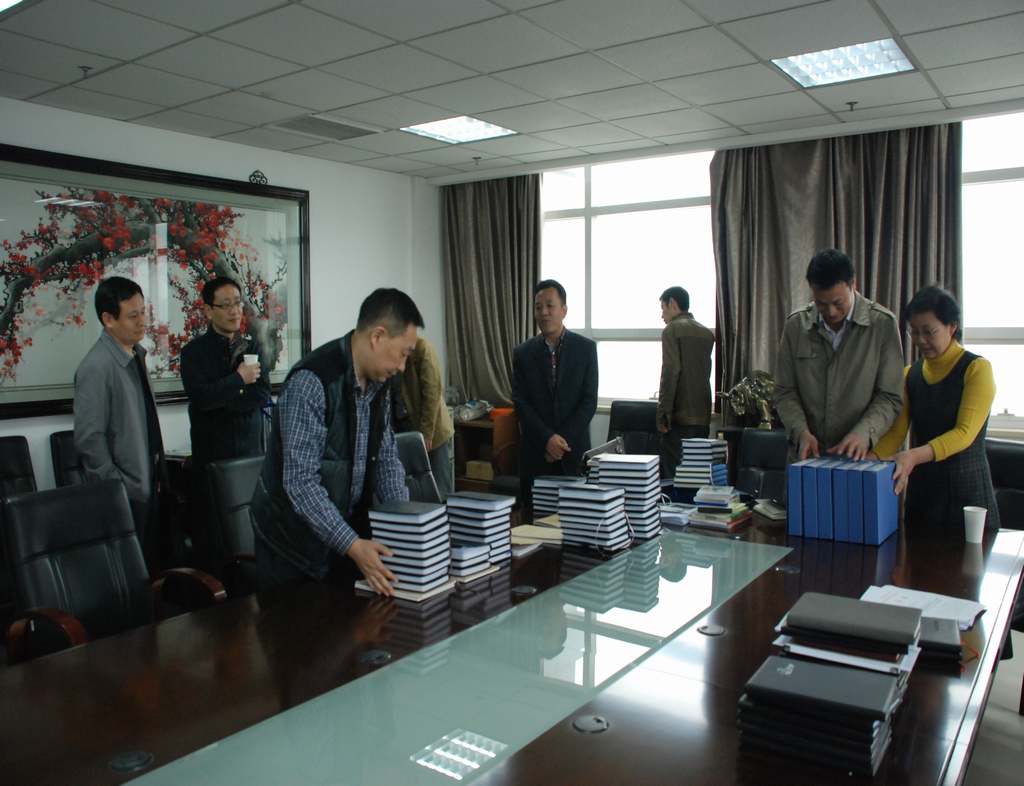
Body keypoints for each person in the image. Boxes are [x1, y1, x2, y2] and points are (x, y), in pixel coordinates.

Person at [250, 288, 422, 596]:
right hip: (291, 550)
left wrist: (405, 524)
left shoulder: (380, 382)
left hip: (340, 539)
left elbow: (386, 459)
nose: (402, 367)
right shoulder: (312, 382)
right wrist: (352, 544)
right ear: (377, 336)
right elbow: (301, 484)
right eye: (403, 354)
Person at [870, 286, 999, 531]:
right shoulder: (910, 375)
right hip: (924, 495)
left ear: (952, 327)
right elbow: (896, 434)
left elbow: (964, 434)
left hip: (967, 493)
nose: (921, 340)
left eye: (929, 332)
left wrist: (912, 456)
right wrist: (866, 461)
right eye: (914, 332)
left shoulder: (977, 369)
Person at [774, 248, 903, 461]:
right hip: (807, 457)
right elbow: (784, 392)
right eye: (821, 304)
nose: (831, 312)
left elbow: (890, 396)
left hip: (863, 457)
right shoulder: (796, 326)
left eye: (838, 303)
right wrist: (800, 431)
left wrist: (865, 433)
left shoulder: (882, 325)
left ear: (853, 285)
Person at [74, 276, 165, 568]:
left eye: (143, 312)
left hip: (150, 482)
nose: (142, 322)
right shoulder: (97, 366)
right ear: (108, 319)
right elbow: (89, 439)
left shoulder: (135, 354)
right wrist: (118, 486)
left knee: (155, 569)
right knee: (132, 574)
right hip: (127, 494)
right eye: (133, 315)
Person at [180, 276, 270, 569]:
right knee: (215, 543)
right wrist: (239, 380)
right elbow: (202, 398)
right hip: (213, 459)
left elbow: (262, 395)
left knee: (252, 536)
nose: (234, 311)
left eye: (238, 304)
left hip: (249, 456)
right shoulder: (194, 353)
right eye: (226, 305)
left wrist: (225, 397)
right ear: (209, 310)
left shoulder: (252, 347)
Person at [512, 279, 598, 517]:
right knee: (534, 526)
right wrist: (547, 439)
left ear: (564, 310)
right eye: (538, 307)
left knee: (576, 523)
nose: (544, 312)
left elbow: (588, 401)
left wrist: (560, 442)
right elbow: (521, 402)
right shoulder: (522, 353)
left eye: (550, 305)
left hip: (573, 455)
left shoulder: (586, 349)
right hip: (535, 456)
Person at [656, 286, 715, 478]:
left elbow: (670, 372)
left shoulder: (671, 330)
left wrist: (663, 414)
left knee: (673, 477)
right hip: (702, 417)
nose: (662, 315)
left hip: (679, 418)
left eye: (663, 308)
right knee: (696, 475)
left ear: (672, 303)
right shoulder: (706, 334)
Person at [397, 336, 454, 499]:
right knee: (415, 490)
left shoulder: (422, 348)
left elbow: (432, 392)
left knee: (439, 490)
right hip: (406, 430)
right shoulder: (390, 351)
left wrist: (427, 432)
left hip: (432, 430)